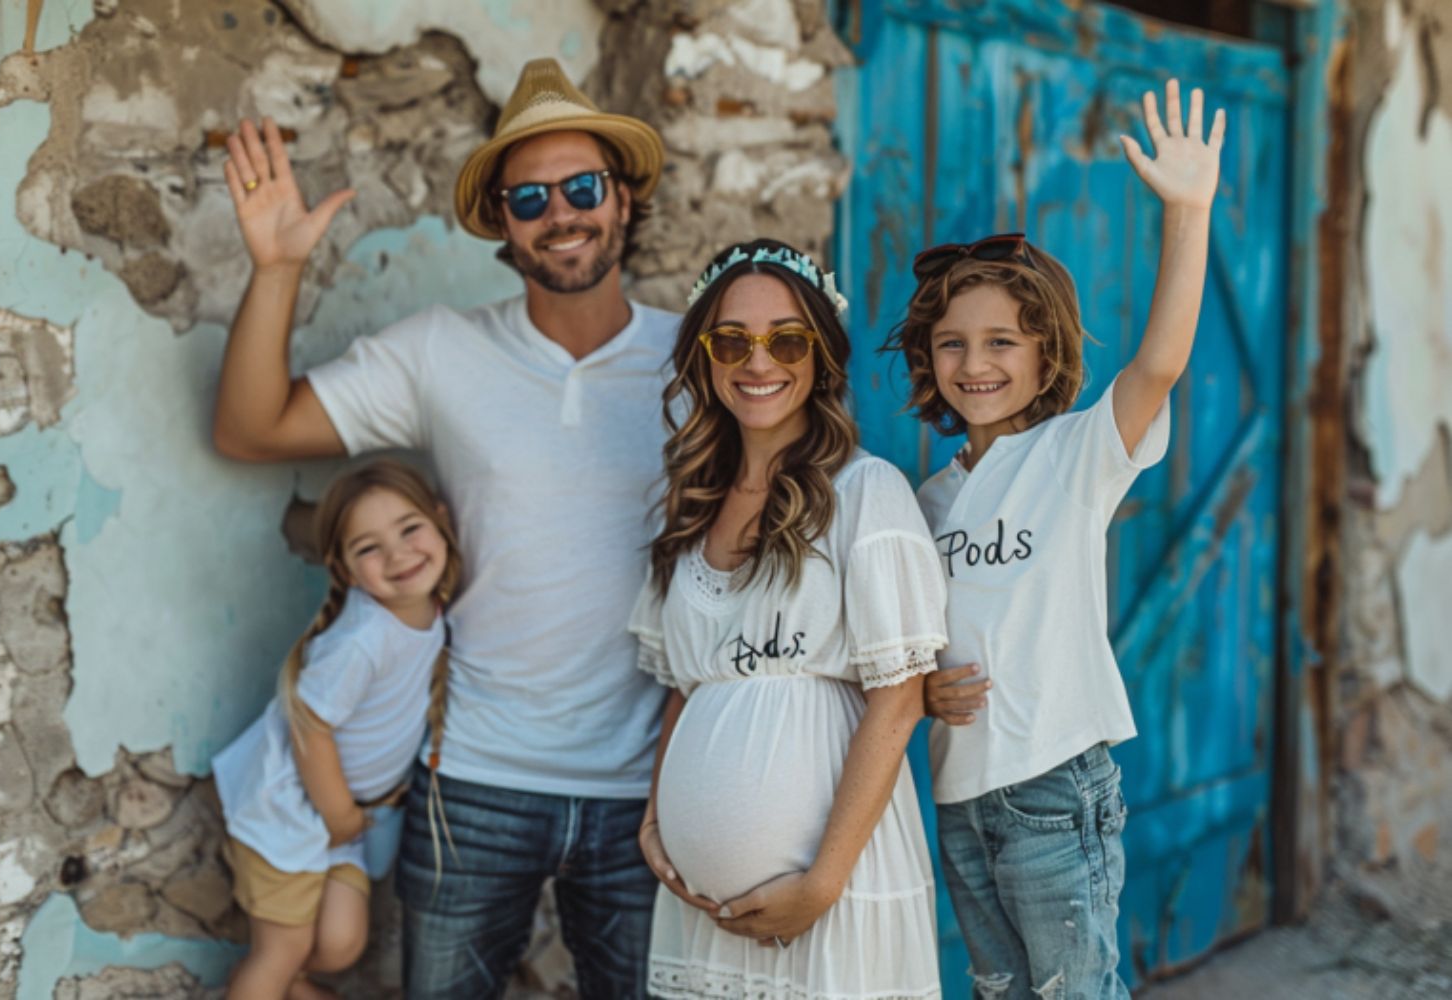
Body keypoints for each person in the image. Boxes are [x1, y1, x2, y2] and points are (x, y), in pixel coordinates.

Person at [212, 58, 674, 998]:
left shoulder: (699, 358)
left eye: (583, 188)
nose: (562, 213)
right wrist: (278, 270)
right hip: (472, 781)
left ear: (623, 200)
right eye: (529, 198)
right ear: (502, 224)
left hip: (648, 790)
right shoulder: (442, 351)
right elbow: (251, 428)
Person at [885, 80, 1226, 998]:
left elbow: (1161, 361)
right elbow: (915, 639)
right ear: (929, 360)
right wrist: (921, 690)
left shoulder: (1076, 454)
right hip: (960, 795)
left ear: (1044, 354)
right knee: (999, 991)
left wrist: (1188, 213)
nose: (976, 364)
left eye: (1003, 341)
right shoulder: (923, 499)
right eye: (953, 344)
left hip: (1054, 792)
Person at [630, 239, 946, 999]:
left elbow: (898, 697)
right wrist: (654, 820)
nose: (758, 360)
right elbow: (688, 687)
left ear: (821, 358)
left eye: (788, 339)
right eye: (732, 339)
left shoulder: (866, 493)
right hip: (701, 912)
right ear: (705, 357)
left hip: (832, 889)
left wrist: (822, 884)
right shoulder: (691, 507)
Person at [213, 460, 459, 1000]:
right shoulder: (362, 638)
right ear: (344, 570)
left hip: (346, 814)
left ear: (441, 522)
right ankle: (267, 981)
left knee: (340, 944)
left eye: (410, 529)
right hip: (297, 804)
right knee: (281, 950)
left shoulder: (434, 609)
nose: (397, 555)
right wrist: (339, 814)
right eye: (368, 547)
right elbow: (310, 726)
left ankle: (282, 986)